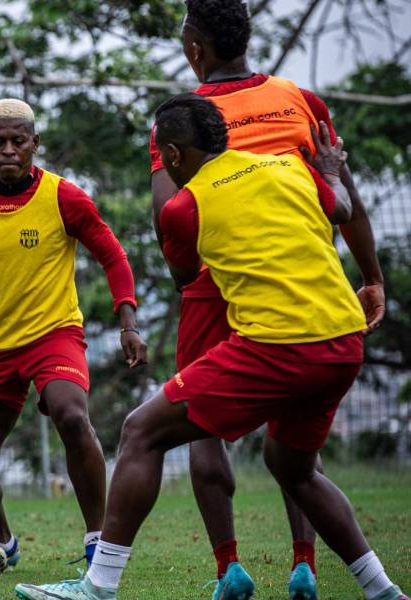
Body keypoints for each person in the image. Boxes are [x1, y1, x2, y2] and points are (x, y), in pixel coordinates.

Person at [15, 94, 408, 600]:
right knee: (295, 469)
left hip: (277, 347)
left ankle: (98, 586)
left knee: (142, 431)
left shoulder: (184, 207)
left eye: (162, 157)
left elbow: (185, 275)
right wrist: (330, 170)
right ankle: (384, 592)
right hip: (342, 344)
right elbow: (344, 208)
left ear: (173, 156)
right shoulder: (289, 165)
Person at [148, 1, 386, 597]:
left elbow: (165, 216)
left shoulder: (182, 121)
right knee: (295, 434)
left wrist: (188, 273)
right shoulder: (300, 100)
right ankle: (304, 562)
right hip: (299, 282)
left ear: (194, 49)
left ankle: (229, 568)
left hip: (213, 284)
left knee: (197, 426)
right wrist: (371, 277)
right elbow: (343, 194)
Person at [0, 98, 147, 573]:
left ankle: (98, 540)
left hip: (53, 335)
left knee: (71, 415)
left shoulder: (65, 197)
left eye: (20, 140)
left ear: (35, 144)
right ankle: (2, 543)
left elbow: (114, 257)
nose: (9, 150)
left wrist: (129, 323)